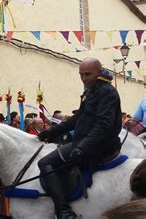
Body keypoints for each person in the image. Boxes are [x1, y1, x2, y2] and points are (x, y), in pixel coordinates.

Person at [37, 58, 122, 219]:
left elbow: (103, 125)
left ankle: (63, 211)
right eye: (81, 74)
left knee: (45, 162)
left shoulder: (106, 91)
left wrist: (83, 147)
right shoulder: (91, 91)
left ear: (99, 71)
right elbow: (78, 119)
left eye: (88, 74)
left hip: (99, 145)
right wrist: (52, 131)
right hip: (86, 142)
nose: (84, 78)